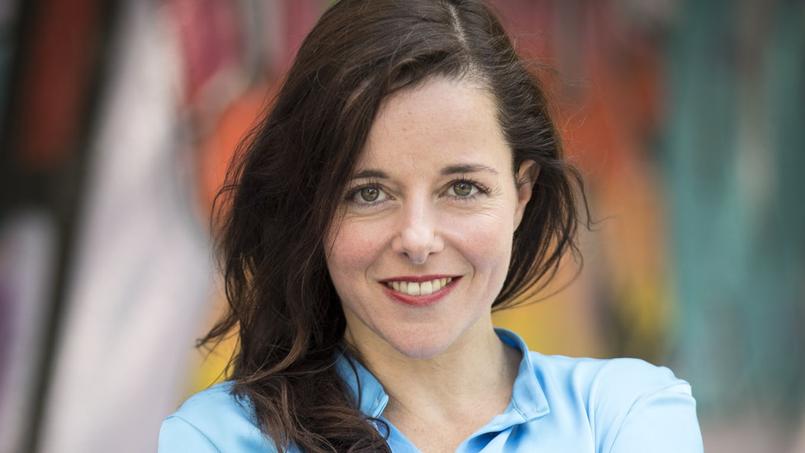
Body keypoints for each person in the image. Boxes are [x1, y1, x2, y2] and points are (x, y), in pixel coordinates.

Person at [158, 0, 704, 452]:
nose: (418, 239)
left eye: (462, 188)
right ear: (312, 209)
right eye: (368, 193)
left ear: (521, 194)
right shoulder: (215, 438)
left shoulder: (624, 413)